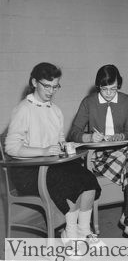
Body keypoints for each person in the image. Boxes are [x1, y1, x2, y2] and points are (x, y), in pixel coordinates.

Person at [5, 62, 102, 244]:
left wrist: (67, 146)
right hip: (29, 171)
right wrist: (43, 151)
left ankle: (83, 231)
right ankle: (70, 235)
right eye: (46, 86)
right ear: (34, 82)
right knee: (69, 182)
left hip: (52, 166)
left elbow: (58, 142)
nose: (51, 91)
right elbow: (11, 147)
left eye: (55, 86)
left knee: (88, 179)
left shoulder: (55, 111)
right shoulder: (23, 109)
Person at [69, 64, 128, 238]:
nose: (109, 93)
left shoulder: (127, 101)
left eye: (113, 89)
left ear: (119, 85)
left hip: (124, 151)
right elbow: (74, 132)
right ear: (98, 86)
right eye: (104, 89)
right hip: (99, 156)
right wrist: (89, 138)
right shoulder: (88, 102)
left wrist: (118, 137)